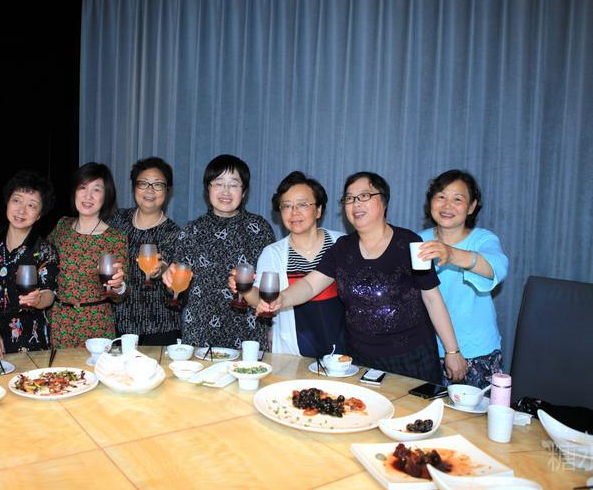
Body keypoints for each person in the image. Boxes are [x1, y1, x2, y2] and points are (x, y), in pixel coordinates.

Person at [257, 171, 467, 383]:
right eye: (349, 198)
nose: (356, 204)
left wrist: (452, 351)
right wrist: (281, 298)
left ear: (383, 201)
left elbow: (432, 298)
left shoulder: (409, 242)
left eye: (364, 196)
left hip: (412, 358)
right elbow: (310, 286)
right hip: (361, 361)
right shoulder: (342, 248)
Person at [163, 155, 275, 348]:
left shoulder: (260, 228)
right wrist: (169, 281)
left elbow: (270, 286)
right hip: (200, 329)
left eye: (234, 185)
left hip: (249, 330)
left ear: (244, 191)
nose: (226, 191)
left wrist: (272, 327)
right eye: (218, 183)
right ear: (208, 189)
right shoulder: (191, 230)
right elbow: (177, 289)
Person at [230, 171, 347, 357]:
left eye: (303, 204)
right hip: (293, 354)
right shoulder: (273, 253)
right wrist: (246, 289)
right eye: (287, 206)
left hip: (343, 353)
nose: (294, 212)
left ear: (318, 210)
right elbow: (261, 300)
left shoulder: (342, 244)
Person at [417, 170, 509, 388]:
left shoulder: (483, 239)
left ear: (471, 206)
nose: (447, 205)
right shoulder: (419, 241)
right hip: (428, 349)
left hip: (475, 351)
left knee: (477, 411)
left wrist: (451, 254)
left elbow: (496, 267)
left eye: (457, 199)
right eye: (441, 196)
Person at [0, 171, 60, 357]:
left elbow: (49, 293)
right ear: (7, 202)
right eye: (16, 200)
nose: (21, 210)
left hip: (29, 339)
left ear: (39, 214)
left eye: (31, 205)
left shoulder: (44, 250)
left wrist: (38, 300)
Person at [47, 163, 126, 348]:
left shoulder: (115, 237)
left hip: (97, 324)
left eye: (96, 189)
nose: (88, 196)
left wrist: (118, 286)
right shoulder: (62, 226)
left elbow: (121, 294)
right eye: (82, 187)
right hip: (60, 322)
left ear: (106, 196)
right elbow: (40, 257)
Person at [108, 157, 182, 345]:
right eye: (143, 183)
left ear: (167, 191)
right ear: (134, 187)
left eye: (158, 185)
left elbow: (178, 289)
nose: (150, 190)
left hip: (161, 328)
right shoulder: (117, 220)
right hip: (118, 326)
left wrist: (162, 271)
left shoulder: (175, 233)